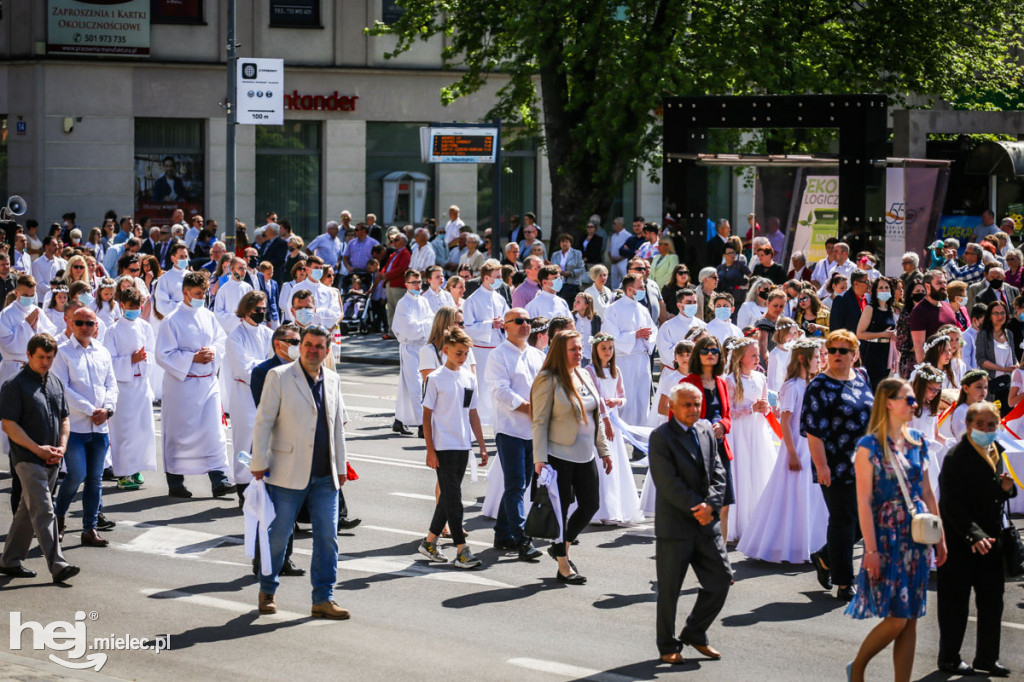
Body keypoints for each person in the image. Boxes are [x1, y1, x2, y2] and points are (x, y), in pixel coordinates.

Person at [845, 378, 945, 682]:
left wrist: (941, 539)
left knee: (911, 618)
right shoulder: (869, 445)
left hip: (916, 537)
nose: (915, 405)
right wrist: (870, 551)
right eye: (908, 399)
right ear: (888, 402)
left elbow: (928, 493)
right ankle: (858, 667)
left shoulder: (918, 440)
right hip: (886, 537)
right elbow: (863, 501)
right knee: (897, 618)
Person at [250, 325, 350, 619]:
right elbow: (263, 421)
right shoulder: (279, 376)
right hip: (286, 472)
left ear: (327, 351)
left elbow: (337, 429)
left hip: (324, 475)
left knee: (328, 537)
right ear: (300, 346)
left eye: (319, 346)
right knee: (279, 534)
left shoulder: (333, 379)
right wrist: (258, 461)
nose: (312, 350)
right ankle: (267, 589)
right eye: (307, 344)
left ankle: (323, 597)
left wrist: (341, 467)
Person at [651, 382, 732, 665]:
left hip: (706, 523)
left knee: (721, 579)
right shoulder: (661, 437)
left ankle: (695, 632)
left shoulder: (706, 430)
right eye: (687, 404)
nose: (693, 409)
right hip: (676, 525)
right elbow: (667, 481)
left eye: (697, 404)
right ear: (672, 407)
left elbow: (718, 471)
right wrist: (696, 507)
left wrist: (711, 505)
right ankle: (667, 644)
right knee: (670, 589)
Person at [936, 401, 1016, 677]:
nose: (986, 429)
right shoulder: (956, 456)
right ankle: (949, 657)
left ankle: (987, 658)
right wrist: (974, 535)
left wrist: (1008, 489)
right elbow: (951, 503)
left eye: (991, 425)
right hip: (960, 541)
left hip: (991, 542)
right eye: (980, 425)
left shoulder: (996, 452)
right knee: (954, 604)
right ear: (969, 426)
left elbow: (996, 493)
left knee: (993, 602)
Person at [531, 330, 611, 584]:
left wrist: (604, 450)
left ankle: (560, 546)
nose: (579, 353)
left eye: (580, 348)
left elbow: (595, 416)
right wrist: (539, 458)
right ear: (559, 351)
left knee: (591, 504)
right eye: (573, 349)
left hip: (585, 454)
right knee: (561, 509)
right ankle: (563, 565)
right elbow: (539, 421)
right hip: (558, 455)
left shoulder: (584, 373)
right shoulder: (548, 379)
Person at [0, 334, 80, 584]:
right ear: (29, 355)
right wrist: (37, 449)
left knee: (27, 510)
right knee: (45, 509)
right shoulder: (15, 385)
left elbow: (65, 418)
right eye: (40, 357)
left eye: (49, 357)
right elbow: (9, 425)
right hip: (27, 457)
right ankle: (58, 564)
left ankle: (9, 560)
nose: (45, 362)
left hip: (53, 458)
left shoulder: (55, 382)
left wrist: (62, 446)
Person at [739, 340, 827, 563]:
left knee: (811, 495)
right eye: (816, 357)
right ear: (802, 358)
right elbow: (786, 422)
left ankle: (812, 544)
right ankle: (785, 544)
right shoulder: (793, 386)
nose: (820, 360)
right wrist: (792, 452)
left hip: (812, 447)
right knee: (792, 494)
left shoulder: (813, 384)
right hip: (796, 446)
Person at [803, 330, 874, 602]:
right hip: (834, 463)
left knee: (864, 519)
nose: (836, 355)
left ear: (855, 354)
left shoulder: (863, 377)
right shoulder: (819, 385)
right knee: (843, 519)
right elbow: (813, 431)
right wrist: (822, 466)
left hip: (865, 461)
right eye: (832, 350)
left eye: (843, 351)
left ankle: (825, 555)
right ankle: (845, 582)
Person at [155, 271, 234, 499]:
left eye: (204, 292)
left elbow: (221, 340)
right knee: (179, 434)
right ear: (185, 292)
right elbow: (163, 354)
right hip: (182, 386)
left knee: (214, 432)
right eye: (198, 293)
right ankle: (176, 482)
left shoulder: (208, 316)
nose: (202, 297)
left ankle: (219, 479)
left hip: (207, 384)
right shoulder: (172, 320)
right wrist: (192, 359)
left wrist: (213, 350)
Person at [417, 328, 488, 568]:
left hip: (462, 445)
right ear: (446, 350)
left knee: (449, 497)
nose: (463, 357)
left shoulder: (468, 377)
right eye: (458, 353)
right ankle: (462, 550)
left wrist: (481, 444)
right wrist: (430, 449)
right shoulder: (435, 378)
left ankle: (429, 542)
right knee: (454, 500)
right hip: (443, 446)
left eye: (466, 353)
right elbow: (426, 416)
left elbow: (473, 413)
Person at [50, 307, 118, 548]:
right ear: (70, 324)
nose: (85, 327)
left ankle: (89, 529)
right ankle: (58, 516)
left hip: (100, 427)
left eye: (89, 323)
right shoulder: (63, 353)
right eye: (80, 323)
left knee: (95, 479)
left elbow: (111, 384)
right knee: (76, 475)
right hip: (76, 426)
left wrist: (108, 409)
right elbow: (63, 388)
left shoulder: (102, 351)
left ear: (96, 326)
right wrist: (92, 410)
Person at [485, 307, 545, 559]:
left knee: (520, 485)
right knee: (516, 485)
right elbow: (499, 390)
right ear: (505, 326)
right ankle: (522, 538)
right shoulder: (499, 355)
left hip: (534, 431)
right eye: (519, 321)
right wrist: (527, 408)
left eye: (528, 320)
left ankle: (502, 533)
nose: (525, 325)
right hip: (510, 429)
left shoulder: (537, 355)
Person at [586, 333, 644, 525]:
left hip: (613, 418)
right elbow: (596, 397)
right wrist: (606, 419)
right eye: (603, 348)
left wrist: (615, 402)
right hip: (599, 420)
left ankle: (614, 507)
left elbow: (622, 396)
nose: (608, 352)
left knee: (615, 460)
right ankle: (600, 508)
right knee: (601, 460)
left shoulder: (615, 370)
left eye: (610, 348)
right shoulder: (590, 371)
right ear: (595, 350)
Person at [723, 337, 776, 544]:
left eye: (757, 355)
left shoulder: (760, 378)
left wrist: (765, 408)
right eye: (752, 355)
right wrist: (751, 409)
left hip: (757, 431)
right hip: (739, 432)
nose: (757, 358)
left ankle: (757, 521)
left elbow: (764, 404)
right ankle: (739, 523)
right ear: (740, 358)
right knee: (742, 472)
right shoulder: (730, 381)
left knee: (758, 470)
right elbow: (728, 412)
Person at [103, 287, 156, 491]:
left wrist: (143, 361)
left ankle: (136, 468)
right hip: (123, 387)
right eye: (131, 307)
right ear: (122, 306)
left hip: (141, 384)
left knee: (142, 429)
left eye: (138, 307)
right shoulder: (113, 331)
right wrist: (129, 360)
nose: (135, 310)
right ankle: (123, 472)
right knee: (123, 430)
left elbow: (151, 352)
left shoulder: (145, 327)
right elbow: (109, 361)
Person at [225, 291, 273, 498]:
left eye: (264, 309)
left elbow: (278, 360)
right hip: (244, 394)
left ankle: (265, 486)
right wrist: (264, 365)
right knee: (245, 440)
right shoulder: (236, 336)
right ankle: (243, 487)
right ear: (246, 310)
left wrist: (259, 364)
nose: (261, 313)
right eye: (257, 310)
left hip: (268, 392)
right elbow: (242, 369)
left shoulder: (269, 334)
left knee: (268, 441)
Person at [390, 269, 433, 436]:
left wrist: (422, 325)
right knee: (415, 385)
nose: (417, 285)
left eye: (419, 282)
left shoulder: (423, 301)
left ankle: (399, 421)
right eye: (414, 282)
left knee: (408, 386)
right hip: (410, 347)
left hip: (423, 346)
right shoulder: (403, 303)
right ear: (406, 284)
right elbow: (409, 328)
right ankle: (423, 424)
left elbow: (431, 320)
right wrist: (424, 325)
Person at [909, 270, 957, 363]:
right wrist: (926, 372)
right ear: (927, 286)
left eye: (944, 282)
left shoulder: (948, 307)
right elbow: (919, 347)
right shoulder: (919, 311)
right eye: (939, 283)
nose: (943, 286)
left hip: (952, 364)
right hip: (933, 365)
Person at [856, 275, 896, 387]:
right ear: (875, 291)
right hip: (873, 352)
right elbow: (860, 333)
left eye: (887, 288)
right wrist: (882, 334)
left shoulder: (891, 310)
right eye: (881, 288)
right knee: (874, 385)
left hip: (888, 352)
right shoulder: (870, 308)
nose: (884, 290)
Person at [552, 233, 585, 304]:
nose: (564, 243)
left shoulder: (577, 253)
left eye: (566, 242)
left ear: (570, 243)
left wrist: (570, 273)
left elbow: (582, 269)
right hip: (558, 284)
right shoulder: (555, 255)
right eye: (562, 242)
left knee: (569, 304)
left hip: (572, 284)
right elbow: (552, 268)